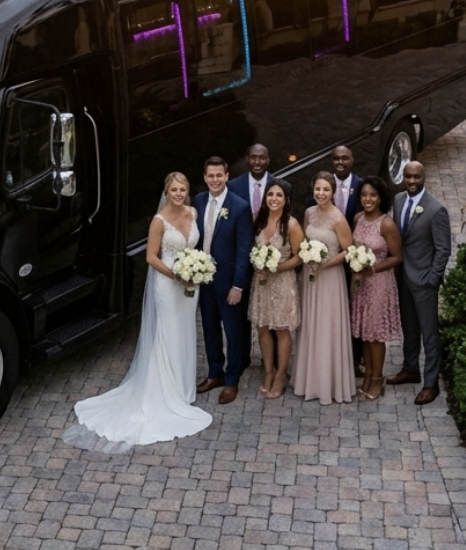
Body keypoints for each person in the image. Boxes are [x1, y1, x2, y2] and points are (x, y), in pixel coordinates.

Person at [65, 172, 212, 450]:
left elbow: (198, 247)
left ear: (187, 192)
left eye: (183, 189)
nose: (178, 194)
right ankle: (166, 390)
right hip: (168, 285)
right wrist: (176, 275)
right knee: (167, 332)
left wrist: (197, 269)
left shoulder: (193, 213)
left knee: (185, 330)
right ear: (166, 192)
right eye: (174, 190)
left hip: (190, 285)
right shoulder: (159, 221)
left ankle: (183, 388)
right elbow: (150, 257)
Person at [386, 160, 451, 406]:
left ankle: (431, 383)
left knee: (429, 332)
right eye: (408, 177)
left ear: (424, 177)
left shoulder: (436, 210)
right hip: (402, 275)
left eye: (417, 177)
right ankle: (410, 368)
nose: (412, 181)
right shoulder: (399, 200)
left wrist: (432, 279)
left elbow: (443, 249)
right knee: (409, 327)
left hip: (424, 281)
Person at [291, 170, 356, 404]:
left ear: (333, 192)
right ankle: (308, 379)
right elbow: (305, 242)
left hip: (330, 279)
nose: (321, 193)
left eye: (325, 189)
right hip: (310, 277)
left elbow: (349, 251)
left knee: (327, 326)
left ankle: (329, 383)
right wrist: (308, 259)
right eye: (317, 189)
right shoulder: (308, 213)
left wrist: (325, 264)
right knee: (310, 325)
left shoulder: (338, 219)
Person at [194, 156, 253, 405]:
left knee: (234, 331)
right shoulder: (198, 200)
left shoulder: (239, 207)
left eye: (219, 175)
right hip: (204, 281)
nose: (215, 180)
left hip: (229, 283)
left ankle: (232, 379)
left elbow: (243, 250)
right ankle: (215, 373)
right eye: (211, 176)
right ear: (205, 177)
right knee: (209, 329)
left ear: (227, 176)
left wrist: (238, 285)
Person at [349, 176, 403, 401]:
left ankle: (378, 377)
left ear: (380, 197)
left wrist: (373, 267)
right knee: (365, 333)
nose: (367, 199)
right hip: (360, 283)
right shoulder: (357, 218)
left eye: (372, 195)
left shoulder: (386, 223)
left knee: (375, 334)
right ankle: (368, 375)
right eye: (364, 195)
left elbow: (398, 257)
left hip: (379, 282)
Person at [248, 179, 302, 399]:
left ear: (286, 199)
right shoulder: (258, 221)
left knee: (281, 329)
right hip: (261, 283)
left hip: (282, 282)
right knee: (262, 327)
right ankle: (268, 372)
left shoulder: (291, 224)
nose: (274, 199)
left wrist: (276, 268)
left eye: (279, 195)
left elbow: (300, 257)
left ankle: (281, 375)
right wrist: (258, 264)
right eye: (270, 194)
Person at [330, 145, 364, 373]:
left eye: (345, 158)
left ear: (352, 160)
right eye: (336, 158)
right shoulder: (322, 185)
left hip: (355, 259)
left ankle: (354, 359)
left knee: (354, 308)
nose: (340, 162)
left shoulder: (361, 186)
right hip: (329, 258)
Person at [229, 143, 280, 219]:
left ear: (268, 160)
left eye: (262, 158)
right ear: (247, 159)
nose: (257, 162)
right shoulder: (233, 186)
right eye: (253, 157)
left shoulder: (280, 186)